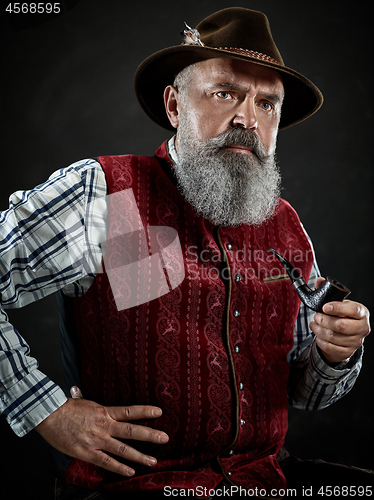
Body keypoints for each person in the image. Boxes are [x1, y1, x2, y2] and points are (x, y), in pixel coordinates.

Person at [0, 7, 371, 499]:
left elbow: (306, 393)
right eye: (225, 94)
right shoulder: (109, 194)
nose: (246, 117)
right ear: (175, 106)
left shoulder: (284, 226)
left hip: (264, 483)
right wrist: (44, 409)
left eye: (267, 104)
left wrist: (335, 353)